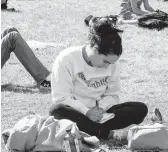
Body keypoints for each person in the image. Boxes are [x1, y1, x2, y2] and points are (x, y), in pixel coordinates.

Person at [49, 16, 148, 139]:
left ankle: (95, 130)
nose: (107, 67)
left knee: (140, 109)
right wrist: (87, 112)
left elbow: (113, 94)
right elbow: (61, 98)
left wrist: (100, 109)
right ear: (95, 49)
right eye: (105, 61)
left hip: (101, 114)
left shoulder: (112, 64)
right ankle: (110, 134)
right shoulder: (67, 59)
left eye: (111, 63)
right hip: (77, 113)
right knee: (57, 110)